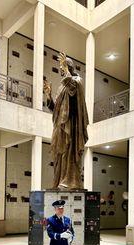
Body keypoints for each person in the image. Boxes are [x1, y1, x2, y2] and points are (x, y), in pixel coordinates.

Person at [44, 52, 89, 190]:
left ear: (69, 67)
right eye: (61, 68)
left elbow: (73, 88)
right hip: (60, 126)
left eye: (63, 67)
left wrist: (65, 69)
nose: (61, 70)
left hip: (71, 125)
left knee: (68, 152)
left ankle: (71, 181)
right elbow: (56, 108)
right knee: (59, 155)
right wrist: (49, 96)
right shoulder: (61, 86)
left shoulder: (77, 80)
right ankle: (59, 181)